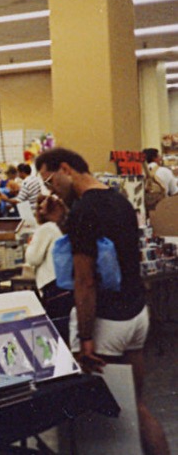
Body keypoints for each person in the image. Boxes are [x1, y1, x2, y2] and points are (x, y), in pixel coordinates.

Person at [36, 148, 169, 455]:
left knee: (100, 422)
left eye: (51, 182)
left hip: (106, 322)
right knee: (136, 406)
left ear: (66, 169)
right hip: (135, 314)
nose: (50, 191)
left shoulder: (84, 212)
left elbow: (85, 280)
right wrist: (62, 221)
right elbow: (104, 247)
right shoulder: (118, 200)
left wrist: (85, 339)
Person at [24, 211, 72, 342]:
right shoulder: (62, 226)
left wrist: (30, 245)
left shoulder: (46, 228)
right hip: (67, 282)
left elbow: (33, 258)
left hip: (52, 283)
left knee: (56, 332)